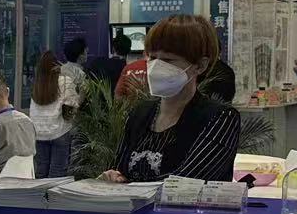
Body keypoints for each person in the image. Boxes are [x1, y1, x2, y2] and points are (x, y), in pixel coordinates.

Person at [103, 15, 239, 184]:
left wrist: (130, 185)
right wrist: (112, 177)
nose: (156, 67)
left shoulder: (219, 118)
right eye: (152, 58)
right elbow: (119, 168)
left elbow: (185, 182)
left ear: (200, 65)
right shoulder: (139, 113)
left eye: (168, 60)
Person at [28, 50, 78, 179]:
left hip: (39, 133)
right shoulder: (65, 81)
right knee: (57, 173)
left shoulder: (36, 84)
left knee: (40, 173)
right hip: (60, 132)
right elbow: (71, 105)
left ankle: (41, 193)